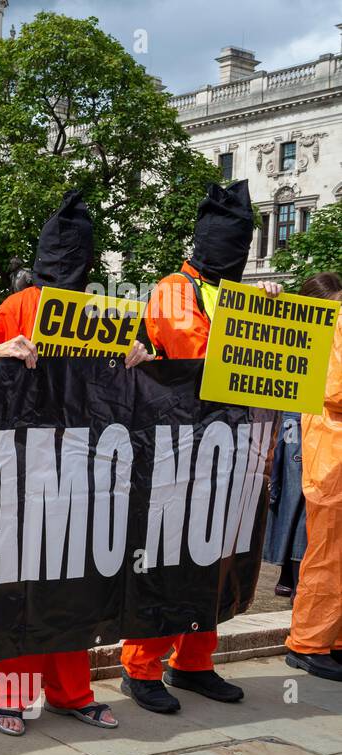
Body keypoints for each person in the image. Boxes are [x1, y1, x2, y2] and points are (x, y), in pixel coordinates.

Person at [0, 190, 151, 735]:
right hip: (25, 469)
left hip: (86, 469)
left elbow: (137, 386)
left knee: (73, 580)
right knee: (21, 582)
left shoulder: (109, 312)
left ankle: (72, 692)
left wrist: (140, 357)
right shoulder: (16, 307)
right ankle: (11, 694)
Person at [120, 179, 283, 713]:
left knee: (219, 557)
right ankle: (140, 667)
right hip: (179, 447)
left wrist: (267, 315)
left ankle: (194, 662)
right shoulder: (173, 288)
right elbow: (203, 355)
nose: (236, 255)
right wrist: (256, 323)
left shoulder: (232, 293)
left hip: (234, 448)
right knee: (171, 557)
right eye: (230, 243)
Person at [285, 272, 342, 680]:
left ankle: (329, 639)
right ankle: (308, 642)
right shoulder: (324, 330)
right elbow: (335, 390)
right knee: (327, 555)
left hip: (332, 455)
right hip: (330, 460)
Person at [262, 410, 307, 596]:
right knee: (305, 498)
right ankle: (296, 580)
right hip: (312, 414)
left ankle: (289, 577)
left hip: (297, 412)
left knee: (294, 494)